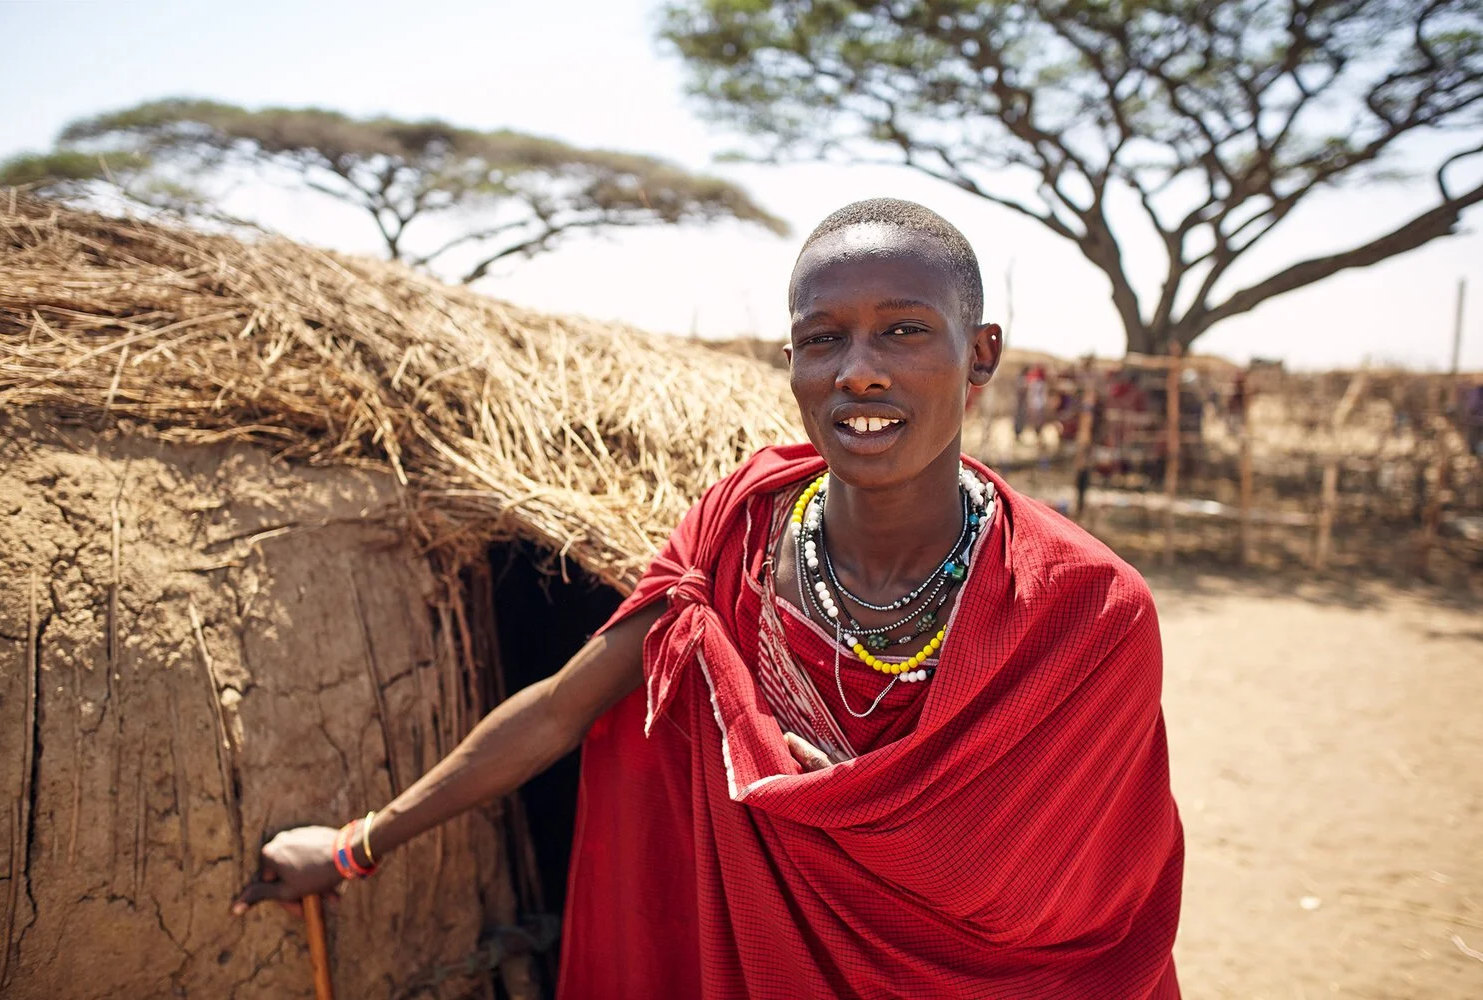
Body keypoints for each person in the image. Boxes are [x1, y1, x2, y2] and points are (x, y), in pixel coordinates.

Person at [233, 198, 1183, 998]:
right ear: (793, 363)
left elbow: (1076, 901)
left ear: (980, 356)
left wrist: (840, 814)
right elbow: (566, 706)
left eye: (903, 329)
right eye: (823, 339)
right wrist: (357, 845)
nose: (858, 368)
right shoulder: (737, 533)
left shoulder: (1088, 613)